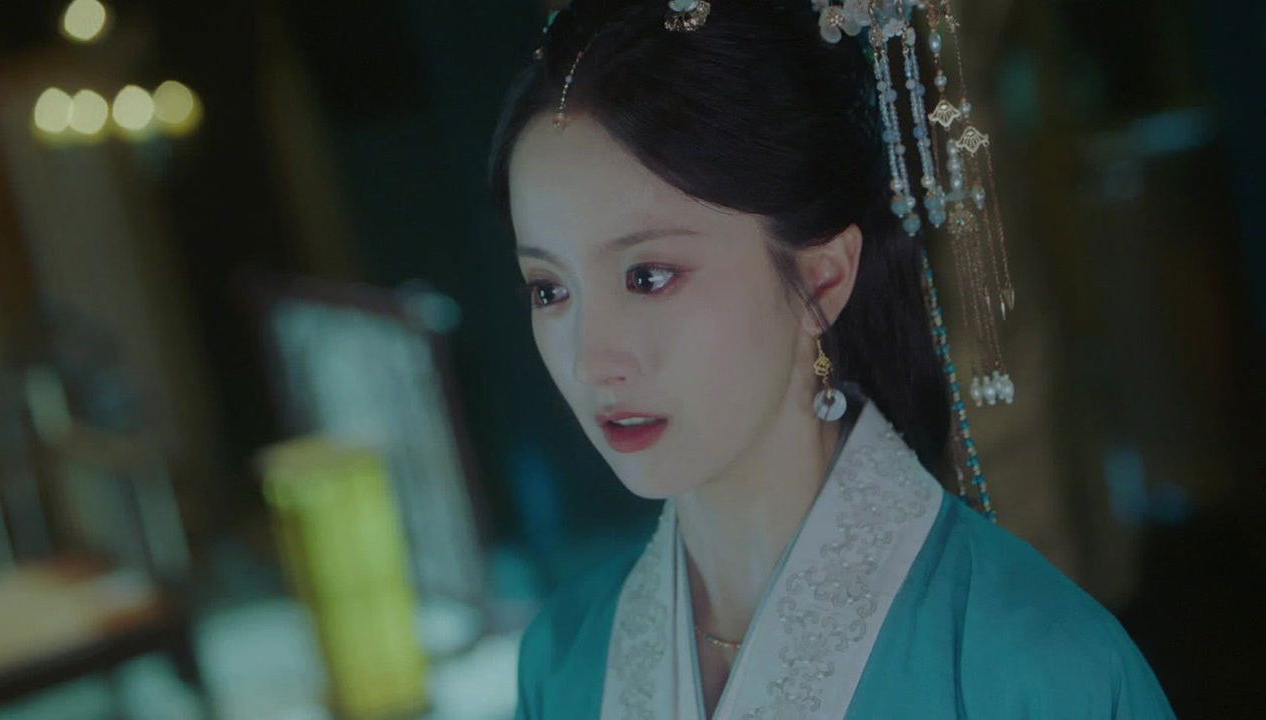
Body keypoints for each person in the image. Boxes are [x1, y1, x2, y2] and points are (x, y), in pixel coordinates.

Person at [488, 1, 1175, 717]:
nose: (590, 362)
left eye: (648, 276)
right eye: (549, 290)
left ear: (822, 280)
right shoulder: (562, 661)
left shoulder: (1036, 670)